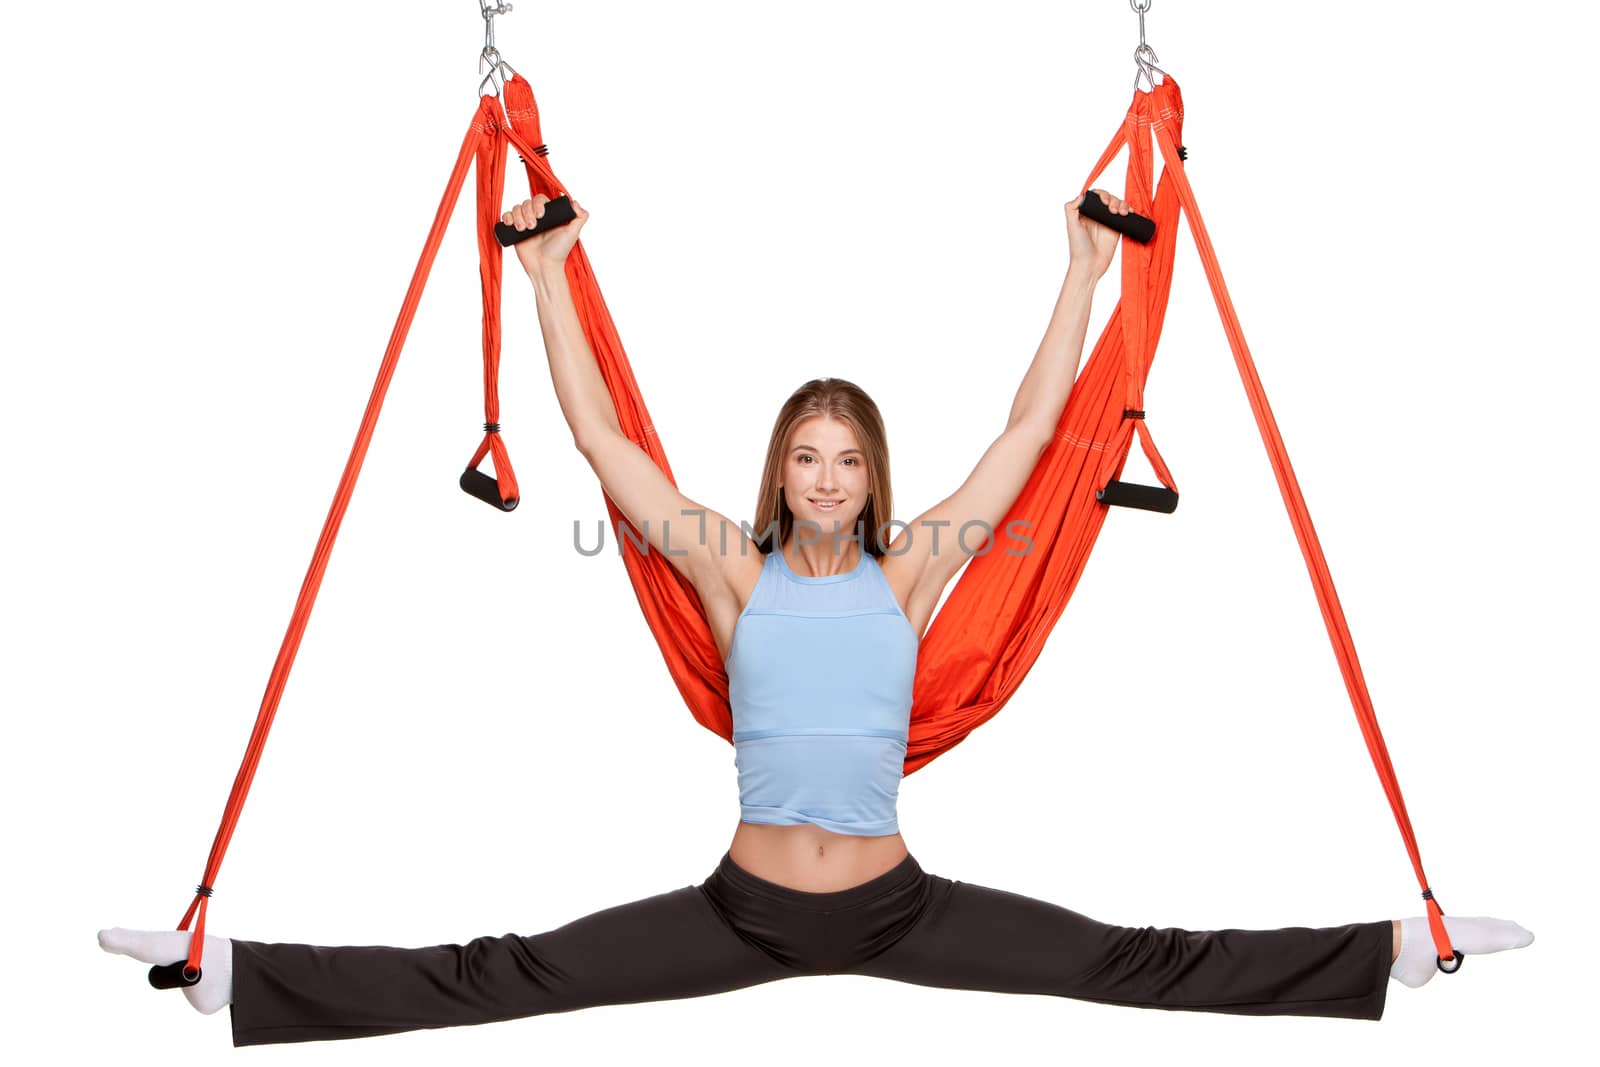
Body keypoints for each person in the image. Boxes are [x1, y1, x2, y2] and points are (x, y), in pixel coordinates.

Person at [99, 190, 1533, 1045]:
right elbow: (605, 448)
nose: (830, 478)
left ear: (873, 478)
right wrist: (545, 279)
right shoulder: (733, 568)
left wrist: (1085, 273)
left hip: (903, 905)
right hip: (741, 909)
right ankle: (231, 975)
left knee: (1126, 962)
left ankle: (1396, 950)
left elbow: (1032, 432)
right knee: (510, 975)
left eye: (849, 460)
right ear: (782, 470)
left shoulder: (918, 570)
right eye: (808, 456)